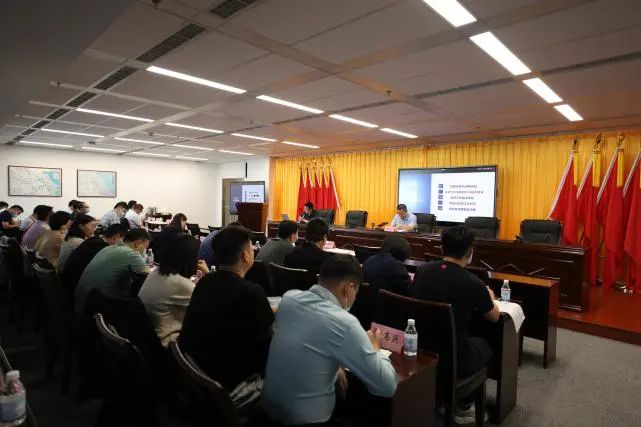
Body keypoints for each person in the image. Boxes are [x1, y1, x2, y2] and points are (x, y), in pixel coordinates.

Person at [263, 255, 397, 426]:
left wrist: (335, 366)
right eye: (356, 293)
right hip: (308, 421)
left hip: (268, 411)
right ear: (349, 288)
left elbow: (306, 344)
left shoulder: (289, 299)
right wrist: (375, 347)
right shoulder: (345, 323)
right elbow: (387, 386)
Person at [412, 226, 499, 424]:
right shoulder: (473, 283)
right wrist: (490, 296)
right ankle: (463, 405)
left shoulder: (422, 271)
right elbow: (494, 317)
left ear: (442, 248)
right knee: (487, 345)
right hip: (454, 357)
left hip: (421, 349)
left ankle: (441, 397)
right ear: (470, 252)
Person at [180, 226, 274, 391]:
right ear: (245, 255)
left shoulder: (205, 282)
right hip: (231, 385)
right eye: (251, 248)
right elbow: (267, 345)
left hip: (196, 374)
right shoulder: (251, 292)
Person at [139, 234, 209, 347]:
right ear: (191, 258)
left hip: (147, 337)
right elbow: (208, 309)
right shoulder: (181, 284)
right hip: (167, 344)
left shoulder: (156, 272)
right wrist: (208, 274)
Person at [74, 228, 151, 315]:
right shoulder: (131, 254)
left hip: (81, 302)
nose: (144, 250)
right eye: (145, 247)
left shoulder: (108, 248)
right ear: (138, 243)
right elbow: (149, 278)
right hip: (97, 310)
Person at [62, 224, 127, 307]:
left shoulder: (94, 240)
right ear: (116, 237)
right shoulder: (102, 247)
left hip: (69, 283)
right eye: (123, 241)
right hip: (76, 289)